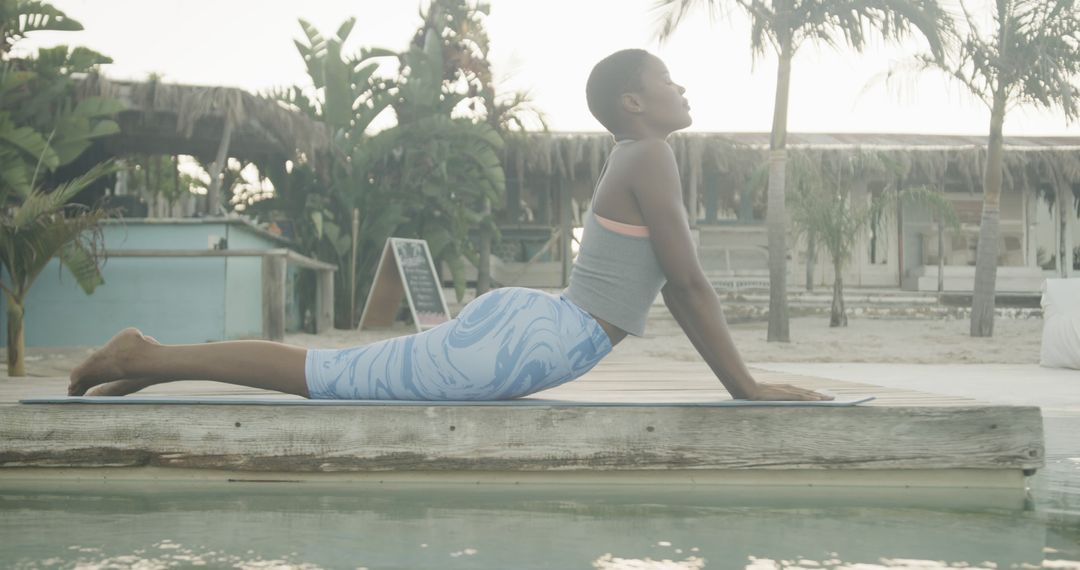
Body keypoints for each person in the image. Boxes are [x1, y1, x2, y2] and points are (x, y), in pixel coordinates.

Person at [68, 49, 832, 403]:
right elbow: (689, 284)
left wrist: (744, 386)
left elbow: (675, 286)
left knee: (328, 376)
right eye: (668, 78)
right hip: (538, 335)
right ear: (634, 101)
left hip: (538, 331)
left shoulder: (638, 154)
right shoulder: (652, 154)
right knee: (323, 379)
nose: (682, 85)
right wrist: (747, 388)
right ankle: (146, 355)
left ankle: (152, 365)